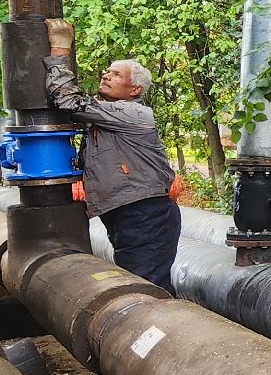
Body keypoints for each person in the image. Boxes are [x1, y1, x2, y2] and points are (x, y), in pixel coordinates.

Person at [41, 19, 181, 292]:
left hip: (145, 215)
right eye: (107, 71)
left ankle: (162, 333)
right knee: (145, 286)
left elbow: (68, 100)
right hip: (127, 216)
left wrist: (60, 48)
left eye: (116, 74)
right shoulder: (104, 119)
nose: (106, 76)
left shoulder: (131, 114)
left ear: (135, 90)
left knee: (146, 290)